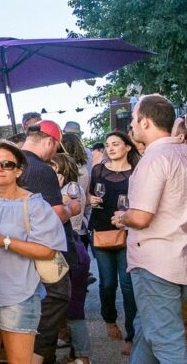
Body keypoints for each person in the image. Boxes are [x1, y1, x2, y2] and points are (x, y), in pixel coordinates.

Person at [0, 141, 68, 364]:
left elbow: (47, 250)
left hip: (19, 293)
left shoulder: (33, 204)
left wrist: (4, 241)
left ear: (19, 170)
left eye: (6, 164)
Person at [112, 93, 187, 364]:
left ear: (145, 122)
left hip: (155, 262)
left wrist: (122, 218)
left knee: (167, 340)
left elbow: (142, 217)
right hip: (177, 258)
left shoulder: (154, 158)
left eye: (134, 118)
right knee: (147, 329)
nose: (131, 124)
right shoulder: (182, 153)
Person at [20, 120, 79, 364]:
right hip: (45, 251)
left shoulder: (13, 163)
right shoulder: (42, 170)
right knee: (55, 301)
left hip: (17, 250)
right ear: (49, 141)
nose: (54, 153)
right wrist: (72, 208)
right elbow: (55, 215)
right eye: (55, 147)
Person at [87, 129, 139, 354]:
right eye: (108, 144)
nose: (110, 148)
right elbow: (88, 195)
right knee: (107, 283)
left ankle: (131, 334)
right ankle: (109, 319)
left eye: (116, 144)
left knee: (127, 286)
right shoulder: (98, 170)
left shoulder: (137, 172)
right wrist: (90, 199)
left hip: (128, 234)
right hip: (101, 231)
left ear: (127, 147)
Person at [51, 153, 92, 364]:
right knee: (67, 308)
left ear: (60, 168)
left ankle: (82, 357)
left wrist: (54, 192)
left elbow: (60, 215)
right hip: (71, 247)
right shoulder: (69, 187)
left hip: (71, 247)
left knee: (74, 310)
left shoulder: (70, 189)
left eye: (51, 166)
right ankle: (75, 353)